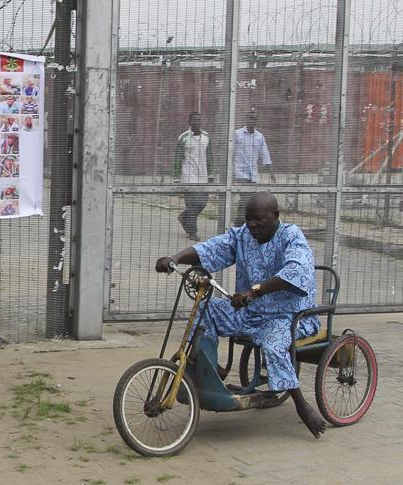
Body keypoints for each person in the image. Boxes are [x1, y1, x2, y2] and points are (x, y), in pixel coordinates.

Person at [154, 192, 327, 439]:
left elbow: (296, 271)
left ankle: (302, 406)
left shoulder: (291, 237)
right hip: (251, 312)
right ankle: (211, 371)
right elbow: (212, 248)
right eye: (249, 220)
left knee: (273, 344)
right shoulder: (243, 236)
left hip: (289, 316)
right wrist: (176, 258)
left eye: (259, 220)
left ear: (275, 216)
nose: (253, 225)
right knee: (208, 308)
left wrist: (254, 291)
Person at [174, 112, 213, 241]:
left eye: (199, 120)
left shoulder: (206, 137)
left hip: (203, 176)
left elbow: (210, 157)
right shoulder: (183, 138)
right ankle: (192, 232)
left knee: (202, 203)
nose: (197, 122)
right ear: (189, 122)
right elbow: (178, 158)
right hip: (188, 176)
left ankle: (184, 217)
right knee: (192, 204)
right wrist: (176, 176)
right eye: (194, 120)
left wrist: (211, 174)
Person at [233, 112, 274, 226]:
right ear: (246, 119)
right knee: (246, 199)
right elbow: (231, 153)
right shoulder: (237, 134)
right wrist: (230, 172)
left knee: (248, 201)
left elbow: (265, 155)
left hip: (253, 174)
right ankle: (239, 224)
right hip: (240, 172)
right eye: (250, 118)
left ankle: (240, 224)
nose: (252, 121)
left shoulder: (259, 137)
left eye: (254, 119)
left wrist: (271, 172)